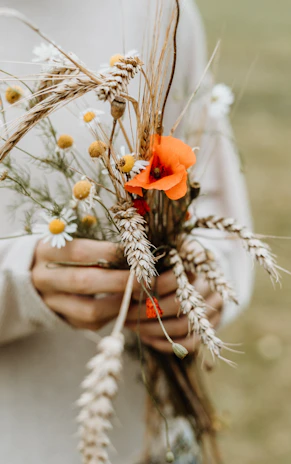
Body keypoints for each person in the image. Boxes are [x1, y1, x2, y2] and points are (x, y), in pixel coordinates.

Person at [0, 0, 253, 462]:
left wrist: (204, 280)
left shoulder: (159, 10)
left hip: (153, 436)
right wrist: (20, 284)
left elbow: (209, 192)